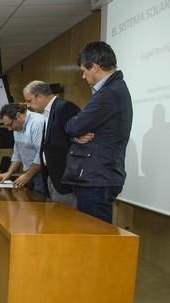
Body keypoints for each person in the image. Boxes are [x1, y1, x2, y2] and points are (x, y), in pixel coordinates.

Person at [63, 41, 133, 223]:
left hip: (97, 177)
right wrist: (77, 133)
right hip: (98, 176)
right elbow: (78, 128)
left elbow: (74, 125)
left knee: (95, 242)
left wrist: (75, 130)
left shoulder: (109, 94)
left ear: (94, 67)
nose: (83, 77)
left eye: (84, 71)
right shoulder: (113, 90)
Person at [23, 81, 80, 207]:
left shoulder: (64, 108)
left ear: (40, 96)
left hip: (64, 179)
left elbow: (77, 141)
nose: (28, 105)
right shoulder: (46, 113)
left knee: (66, 220)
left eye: (29, 100)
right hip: (51, 176)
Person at [0, 103, 47, 196]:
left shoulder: (37, 122)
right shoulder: (17, 127)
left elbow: (41, 154)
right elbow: (17, 153)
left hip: (43, 173)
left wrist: (27, 176)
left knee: (39, 204)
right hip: (30, 172)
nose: (9, 129)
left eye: (10, 124)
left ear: (18, 115)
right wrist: (9, 173)